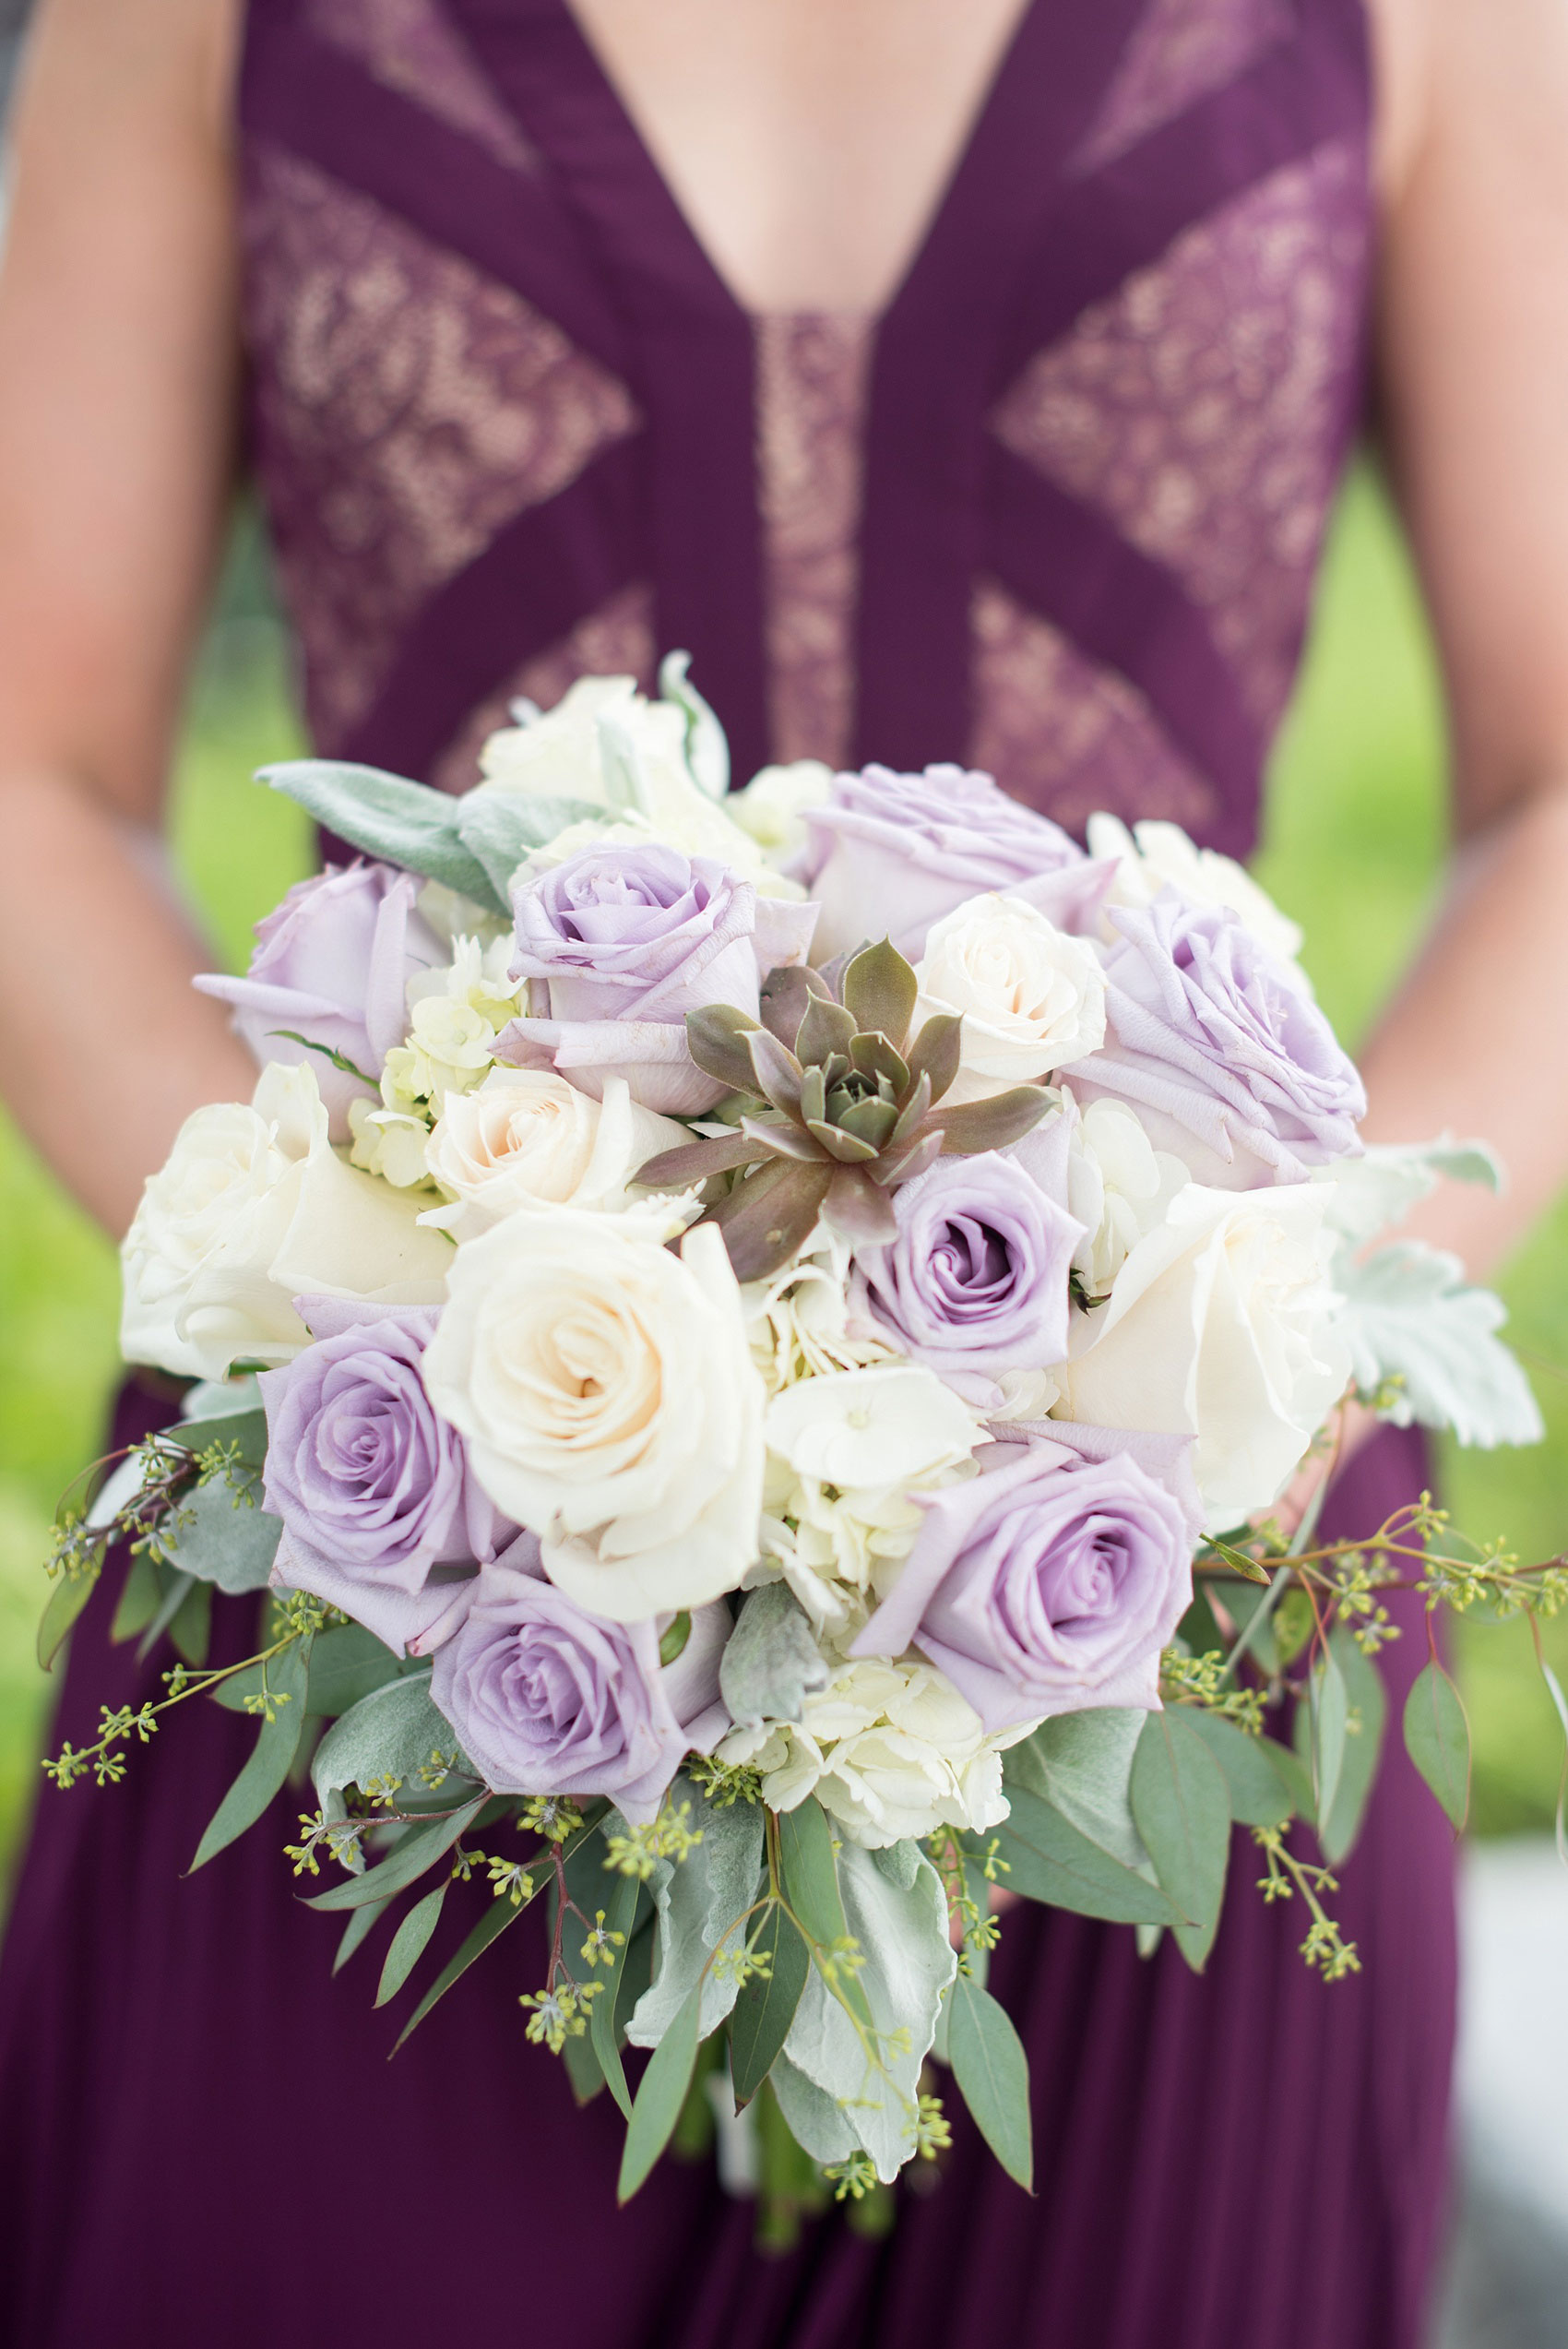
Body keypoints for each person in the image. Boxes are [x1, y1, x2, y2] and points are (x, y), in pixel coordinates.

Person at [3, 0, 1567, 2341]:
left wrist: (1272, 1359)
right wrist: (395, 1340)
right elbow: (28, 759)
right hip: (390, 1592)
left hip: (1161, 1614)